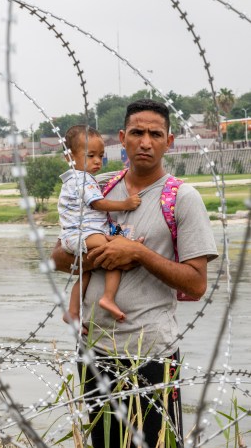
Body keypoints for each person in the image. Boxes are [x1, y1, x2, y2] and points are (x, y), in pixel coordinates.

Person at [51, 99, 218, 448]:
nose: (146, 142)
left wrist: (139, 252)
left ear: (168, 142)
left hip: (151, 353)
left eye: (156, 134)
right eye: (138, 133)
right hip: (95, 350)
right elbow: (59, 257)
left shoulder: (182, 198)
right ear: (122, 138)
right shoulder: (99, 189)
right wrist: (105, 255)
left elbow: (197, 283)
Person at [58, 125, 141, 323]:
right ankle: (108, 298)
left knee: (86, 272)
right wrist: (125, 204)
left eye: (100, 156)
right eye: (90, 156)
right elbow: (98, 203)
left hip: (74, 236)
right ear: (70, 158)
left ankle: (72, 311)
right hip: (85, 234)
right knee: (115, 253)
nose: (97, 161)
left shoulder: (72, 180)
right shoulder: (83, 179)